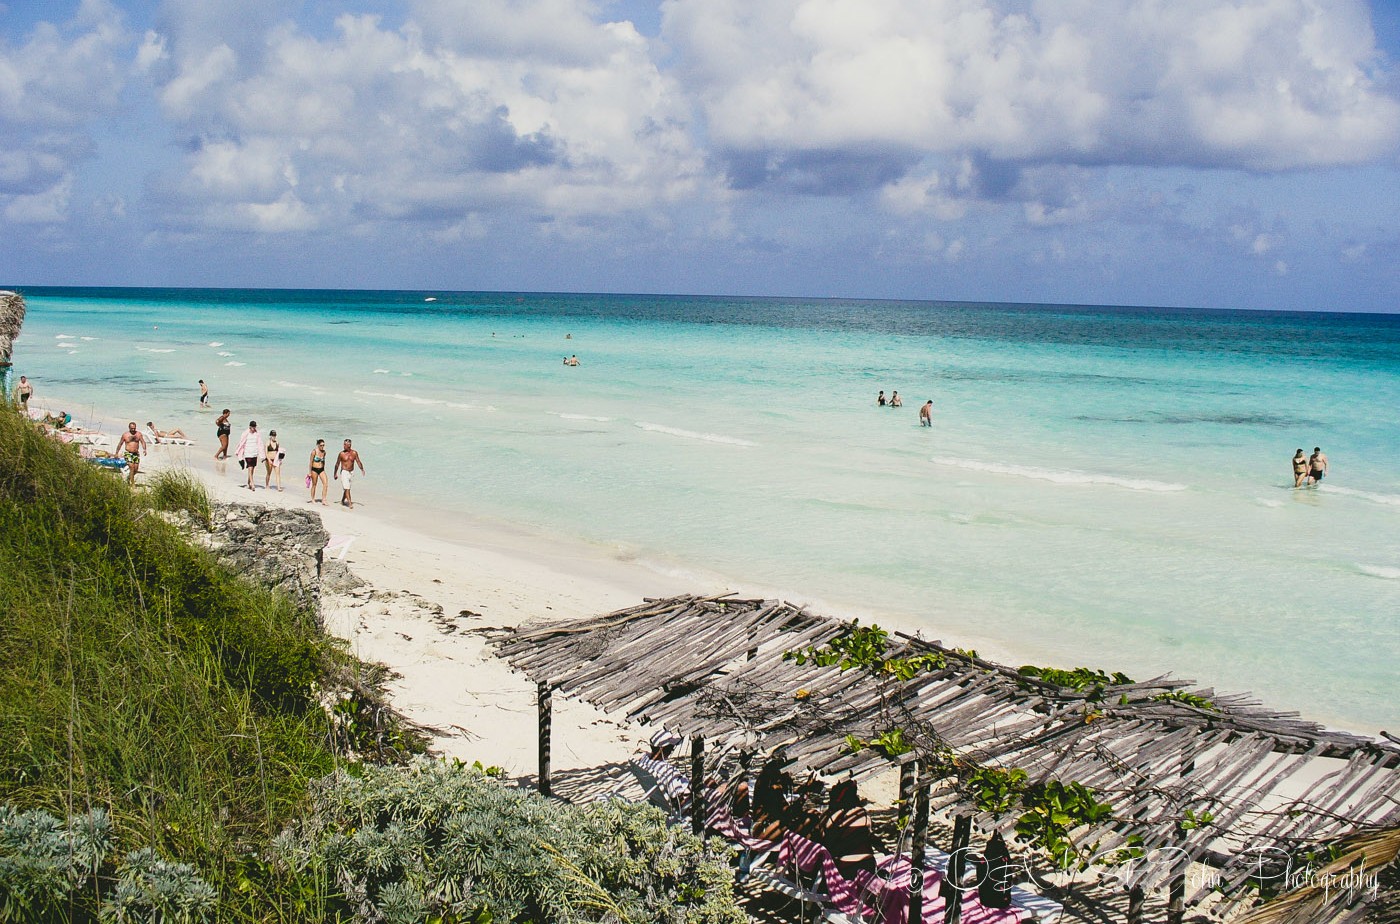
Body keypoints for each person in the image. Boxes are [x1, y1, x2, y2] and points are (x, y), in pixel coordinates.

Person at [820, 780, 879, 879]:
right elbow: (868, 837)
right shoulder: (861, 815)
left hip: (835, 868)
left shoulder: (826, 816)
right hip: (859, 869)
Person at [334, 438, 366, 509]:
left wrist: (362, 469)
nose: (343, 446)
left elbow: (358, 461)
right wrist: (335, 473)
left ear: (349, 445)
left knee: (347, 488)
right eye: (344, 444)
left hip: (351, 472)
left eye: (345, 444)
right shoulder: (341, 454)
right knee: (347, 488)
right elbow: (337, 464)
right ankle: (350, 503)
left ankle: (342, 500)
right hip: (344, 472)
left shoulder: (354, 453)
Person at [233, 421, 264, 491]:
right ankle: (252, 484)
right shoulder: (245, 433)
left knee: (252, 468)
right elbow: (241, 443)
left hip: (254, 453)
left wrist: (262, 456)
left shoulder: (257, 434)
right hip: (248, 453)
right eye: (252, 427)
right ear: (250, 427)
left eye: (255, 427)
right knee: (250, 467)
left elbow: (260, 444)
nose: (254, 428)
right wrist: (240, 453)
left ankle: (248, 482)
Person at [115, 421, 147, 487]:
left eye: (134, 428)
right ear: (129, 428)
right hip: (128, 453)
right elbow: (120, 444)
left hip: (136, 453)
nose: (133, 430)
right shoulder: (125, 435)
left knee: (136, 469)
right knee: (132, 467)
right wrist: (116, 453)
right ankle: (132, 483)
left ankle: (129, 478)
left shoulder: (139, 434)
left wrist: (144, 449)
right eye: (132, 428)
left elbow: (143, 442)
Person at [308, 439, 329, 504]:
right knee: (314, 484)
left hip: (321, 469)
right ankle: (312, 499)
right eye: (321, 445)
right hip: (314, 469)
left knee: (325, 483)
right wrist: (309, 472)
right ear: (318, 445)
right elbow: (311, 462)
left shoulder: (324, 452)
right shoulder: (314, 452)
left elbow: (323, 461)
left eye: (323, 445)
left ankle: (324, 499)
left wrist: (323, 468)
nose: (322, 447)